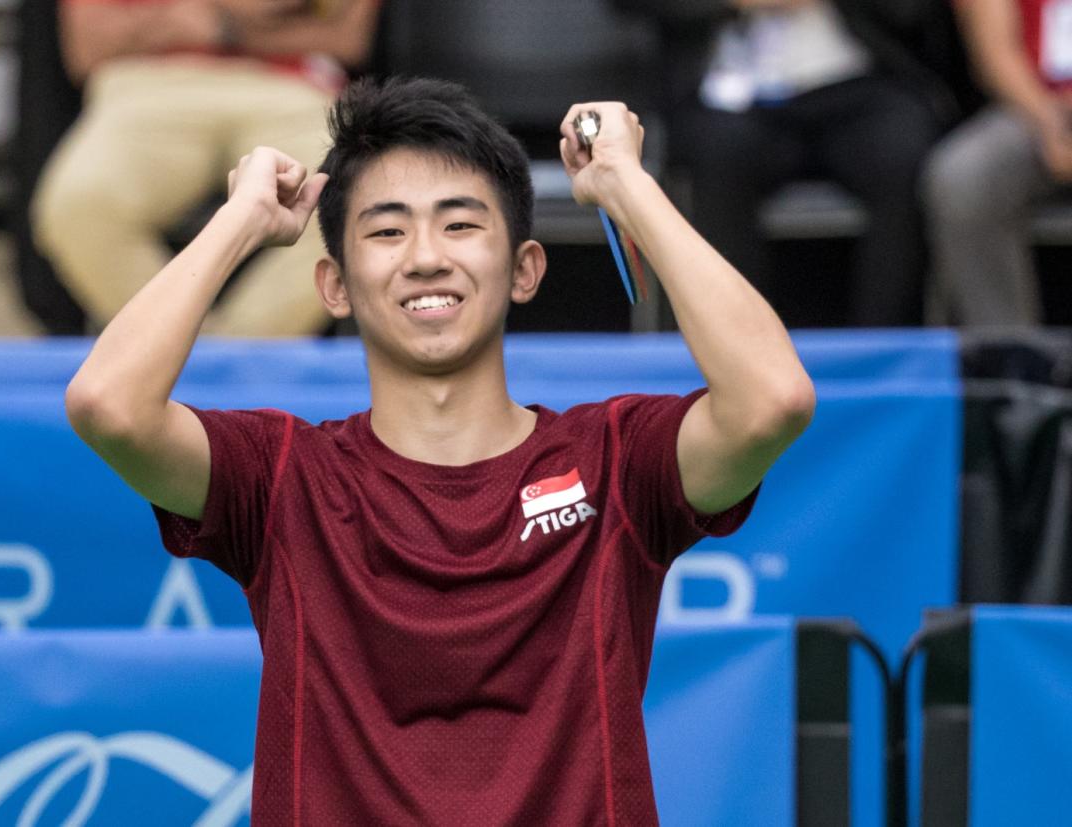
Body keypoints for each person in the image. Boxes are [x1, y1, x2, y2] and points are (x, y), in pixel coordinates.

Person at [65, 77, 815, 823]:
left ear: (524, 269)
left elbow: (770, 400)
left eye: (459, 226)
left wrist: (625, 185)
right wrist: (240, 221)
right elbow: (110, 406)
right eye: (386, 231)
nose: (424, 258)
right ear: (334, 286)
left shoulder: (614, 462)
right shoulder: (283, 476)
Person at [31, 0, 380, 336]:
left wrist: (210, 22)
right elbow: (89, 48)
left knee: (357, 201)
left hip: (296, 87)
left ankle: (202, 363)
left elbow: (348, 37)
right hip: (145, 87)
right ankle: (194, 360)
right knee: (78, 203)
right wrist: (246, 17)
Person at [631, 0, 952, 327]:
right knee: (719, 157)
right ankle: (735, 348)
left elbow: (916, 11)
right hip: (729, 96)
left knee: (904, 151)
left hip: (858, 83)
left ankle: (885, 351)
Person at [922, 0, 1072, 326]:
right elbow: (994, 53)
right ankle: (1005, 354)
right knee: (964, 175)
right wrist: (1050, 122)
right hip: (1032, 109)